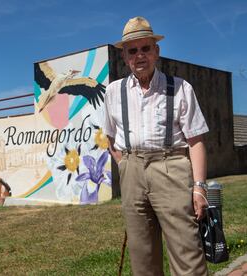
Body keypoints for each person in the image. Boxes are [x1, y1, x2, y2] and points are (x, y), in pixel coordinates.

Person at [103, 17, 209, 275]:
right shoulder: (114, 92)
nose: (140, 56)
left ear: (156, 51)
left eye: (145, 48)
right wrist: (126, 166)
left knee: (187, 253)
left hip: (171, 167)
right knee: (142, 257)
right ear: (125, 57)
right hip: (132, 171)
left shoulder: (180, 88)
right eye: (133, 50)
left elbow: (195, 141)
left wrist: (199, 188)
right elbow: (109, 137)